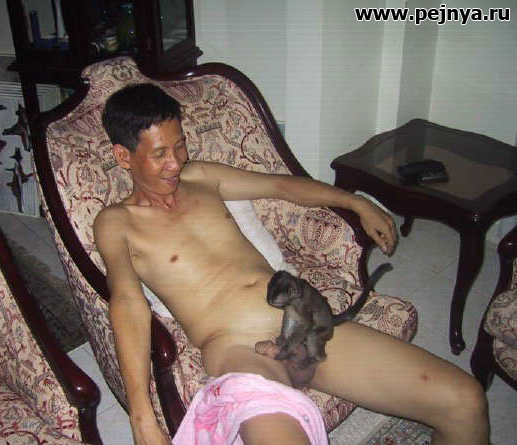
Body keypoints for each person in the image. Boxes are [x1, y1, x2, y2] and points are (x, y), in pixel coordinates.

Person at [94, 83, 489, 445]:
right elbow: (127, 303)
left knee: (465, 400)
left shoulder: (202, 176)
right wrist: (142, 419)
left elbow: (281, 185)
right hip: (240, 349)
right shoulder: (117, 222)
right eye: (160, 154)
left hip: (304, 324)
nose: (175, 163)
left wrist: (355, 202)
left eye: (180, 146)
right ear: (123, 156)